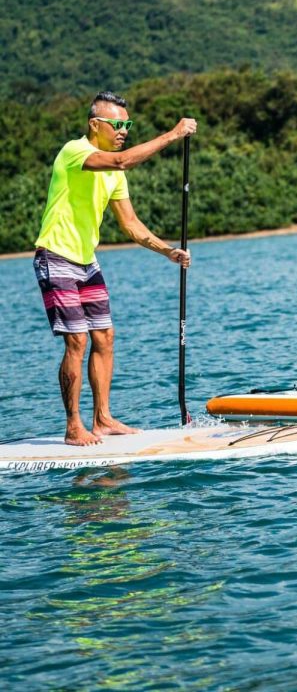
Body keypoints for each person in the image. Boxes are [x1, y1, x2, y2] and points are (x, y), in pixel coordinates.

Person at [34, 91, 198, 445]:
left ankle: (103, 418)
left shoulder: (114, 176)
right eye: (117, 124)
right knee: (76, 341)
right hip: (55, 256)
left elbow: (132, 225)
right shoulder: (74, 151)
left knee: (105, 337)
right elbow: (122, 161)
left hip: (86, 260)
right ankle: (73, 426)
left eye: (127, 124)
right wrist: (172, 135)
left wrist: (167, 251)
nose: (123, 130)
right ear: (95, 125)